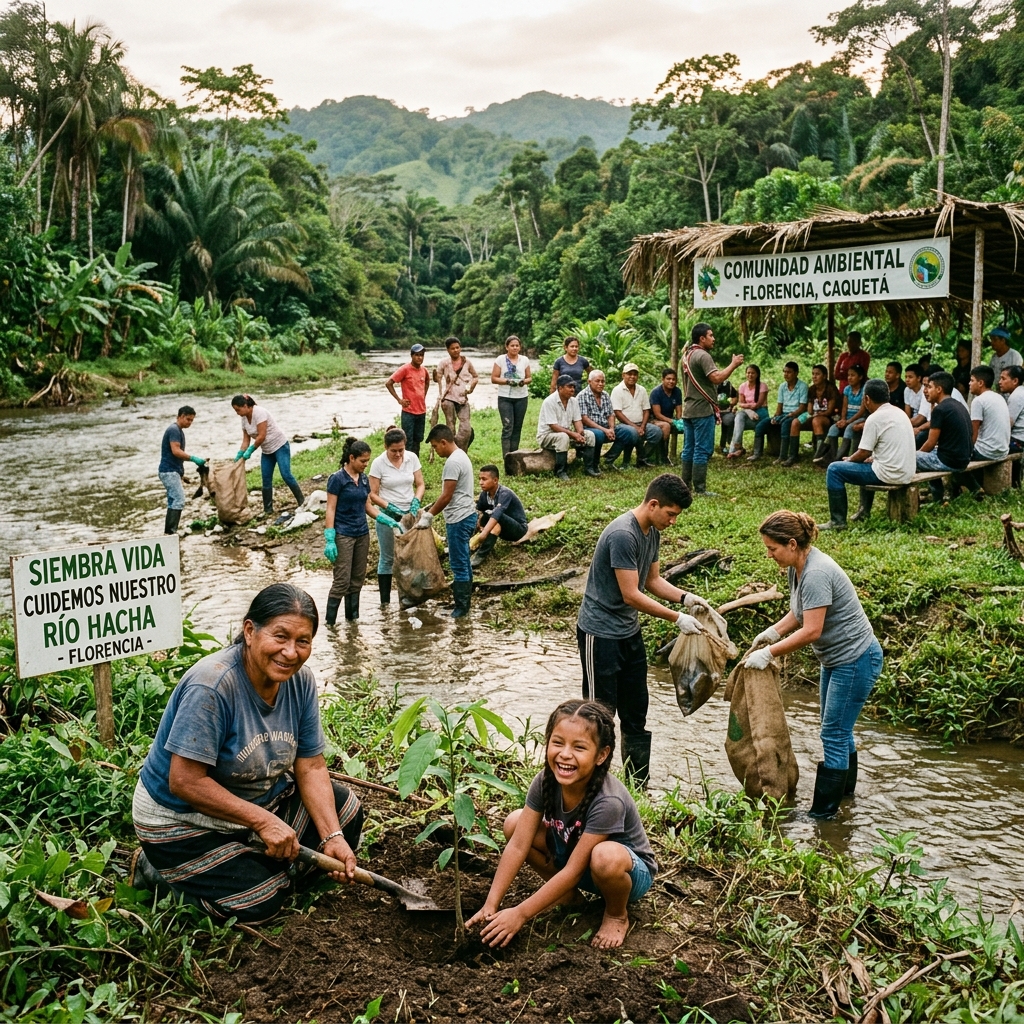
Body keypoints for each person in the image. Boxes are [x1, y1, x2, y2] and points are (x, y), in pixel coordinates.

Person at [130, 584, 364, 921]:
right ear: (250, 631)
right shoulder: (212, 685)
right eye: (280, 636)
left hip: (252, 803)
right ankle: (159, 874)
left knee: (346, 812)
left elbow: (310, 766)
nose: (290, 652)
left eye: (303, 641)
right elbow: (185, 782)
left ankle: (244, 864)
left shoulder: (300, 682)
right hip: (182, 818)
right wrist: (264, 821)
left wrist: (332, 835)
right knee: (261, 901)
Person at [467, 700, 656, 951]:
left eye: (579, 747)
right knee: (515, 823)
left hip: (624, 875)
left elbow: (573, 871)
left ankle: (616, 914)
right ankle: (568, 897)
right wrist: (491, 904)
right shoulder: (545, 780)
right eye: (558, 743)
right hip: (576, 858)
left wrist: (521, 914)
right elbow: (518, 846)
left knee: (604, 856)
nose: (565, 754)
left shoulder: (608, 801)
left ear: (601, 755)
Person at [576, 474, 710, 788]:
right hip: (601, 634)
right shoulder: (624, 534)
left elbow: (651, 581)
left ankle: (638, 787)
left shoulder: (652, 531)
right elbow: (631, 594)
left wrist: (685, 597)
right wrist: (677, 618)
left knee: (636, 711)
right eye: (671, 514)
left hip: (628, 632)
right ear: (653, 504)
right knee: (600, 716)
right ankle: (596, 787)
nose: (674, 521)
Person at [746, 511, 883, 819]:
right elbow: (800, 613)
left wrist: (770, 653)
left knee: (833, 733)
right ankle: (845, 797)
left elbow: (812, 630)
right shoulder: (798, 566)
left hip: (856, 658)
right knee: (838, 729)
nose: (769, 554)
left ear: (792, 544)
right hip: (836, 658)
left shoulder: (817, 572)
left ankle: (824, 814)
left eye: (772, 548)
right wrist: (773, 632)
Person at [818, 379, 916, 529]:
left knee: (834, 469)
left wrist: (849, 460)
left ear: (867, 399)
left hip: (890, 473)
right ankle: (864, 512)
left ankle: (837, 521)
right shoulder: (900, 413)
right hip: (906, 472)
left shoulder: (874, 418)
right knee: (865, 464)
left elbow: (863, 452)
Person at [324, 437, 391, 624]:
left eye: (367, 462)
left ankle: (352, 621)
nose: (365, 465)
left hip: (362, 533)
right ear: (351, 458)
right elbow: (330, 508)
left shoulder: (363, 479)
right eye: (362, 461)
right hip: (343, 534)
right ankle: (330, 625)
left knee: (357, 580)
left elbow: (367, 506)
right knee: (341, 581)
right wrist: (330, 537)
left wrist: (386, 518)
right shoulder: (337, 479)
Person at [416, 424, 476, 618]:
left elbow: (446, 496)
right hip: (466, 514)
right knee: (463, 561)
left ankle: (461, 609)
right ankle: (463, 604)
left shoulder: (452, 462)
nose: (435, 450)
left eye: (435, 446)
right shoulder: (461, 456)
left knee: (458, 564)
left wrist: (429, 515)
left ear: (443, 442)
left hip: (459, 518)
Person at [681, 323, 744, 492]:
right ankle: (700, 489)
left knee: (689, 448)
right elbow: (716, 378)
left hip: (689, 409)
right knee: (701, 450)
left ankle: (685, 486)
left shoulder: (686, 355)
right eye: (711, 335)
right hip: (702, 409)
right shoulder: (703, 355)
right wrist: (733, 364)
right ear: (702, 339)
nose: (713, 338)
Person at [368, 427, 425, 605]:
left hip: (409, 515)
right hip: (388, 515)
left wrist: (416, 500)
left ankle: (410, 598)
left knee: (411, 556)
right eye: (394, 451)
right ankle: (385, 603)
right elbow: (373, 494)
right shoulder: (378, 464)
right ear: (386, 447)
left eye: (401, 449)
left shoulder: (411, 458)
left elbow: (421, 484)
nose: (398, 454)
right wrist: (389, 506)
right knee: (388, 558)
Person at [231, 395, 304, 515]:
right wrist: (240, 454)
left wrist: (250, 451)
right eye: (235, 410)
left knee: (286, 474)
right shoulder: (244, 418)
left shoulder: (259, 412)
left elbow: (261, 436)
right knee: (266, 479)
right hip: (267, 450)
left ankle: (302, 502)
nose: (237, 413)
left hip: (280, 445)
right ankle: (268, 510)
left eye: (238, 410)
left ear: (245, 406)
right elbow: (245, 440)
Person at [916, 371, 973, 504]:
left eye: (929, 387)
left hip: (950, 461)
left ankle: (935, 498)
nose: (926, 391)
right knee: (924, 457)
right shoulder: (957, 405)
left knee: (911, 457)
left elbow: (930, 443)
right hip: (964, 458)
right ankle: (937, 496)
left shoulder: (940, 410)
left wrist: (916, 455)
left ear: (939, 389)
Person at [960, 364, 1011, 497]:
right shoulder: (998, 397)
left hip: (988, 451)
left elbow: (974, 432)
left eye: (972, 380)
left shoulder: (979, 401)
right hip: (1003, 450)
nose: (969, 383)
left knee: (953, 457)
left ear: (981, 383)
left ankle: (975, 489)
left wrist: (965, 451)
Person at [606, 363, 662, 469]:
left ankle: (642, 458)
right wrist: (635, 427)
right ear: (623, 375)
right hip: (624, 424)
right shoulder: (617, 390)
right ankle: (622, 461)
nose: (632, 377)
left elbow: (646, 410)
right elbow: (617, 412)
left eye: (635, 374)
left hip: (641, 423)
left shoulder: (642, 390)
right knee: (632, 433)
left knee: (657, 432)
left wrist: (642, 426)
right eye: (629, 374)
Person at [537, 374, 593, 481]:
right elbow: (553, 426)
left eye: (573, 387)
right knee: (563, 437)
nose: (573, 389)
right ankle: (561, 471)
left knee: (590, 435)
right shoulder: (549, 401)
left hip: (565, 433)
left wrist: (580, 433)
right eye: (569, 387)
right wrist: (573, 434)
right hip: (546, 436)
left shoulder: (573, 401)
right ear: (560, 388)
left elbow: (577, 420)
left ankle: (589, 467)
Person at [750, 361, 808, 465]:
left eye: (789, 372)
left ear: (796, 373)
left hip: (796, 415)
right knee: (761, 426)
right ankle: (757, 453)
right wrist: (775, 416)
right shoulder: (782, 386)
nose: (786, 374)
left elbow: (802, 407)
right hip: (783, 414)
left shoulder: (803, 386)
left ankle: (784, 456)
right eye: (784, 372)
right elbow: (779, 406)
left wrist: (792, 414)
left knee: (785, 425)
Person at [159, 405, 204, 535]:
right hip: (168, 471)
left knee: (173, 501)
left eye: (192, 421)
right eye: (188, 420)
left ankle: (169, 533)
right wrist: (193, 458)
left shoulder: (178, 430)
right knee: (179, 500)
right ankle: (171, 533)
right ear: (181, 416)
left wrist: (181, 475)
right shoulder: (174, 430)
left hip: (171, 471)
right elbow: (176, 451)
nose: (190, 423)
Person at [472, 465, 529, 569]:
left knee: (496, 515)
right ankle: (471, 546)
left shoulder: (504, 493)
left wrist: (484, 533)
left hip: (517, 530)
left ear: (495, 480)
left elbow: (497, 514)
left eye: (484, 479)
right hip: (501, 527)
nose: (480, 482)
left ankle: (480, 555)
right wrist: (479, 525)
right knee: (483, 517)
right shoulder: (484, 495)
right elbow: (479, 511)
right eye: (479, 479)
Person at [816, 363, 867, 465]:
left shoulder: (864, 389)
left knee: (849, 429)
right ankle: (831, 455)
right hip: (847, 418)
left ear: (860, 377)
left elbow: (862, 411)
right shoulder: (847, 389)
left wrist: (848, 422)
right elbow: (844, 407)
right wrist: (843, 419)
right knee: (833, 429)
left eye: (853, 375)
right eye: (848, 375)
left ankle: (839, 458)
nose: (849, 378)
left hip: (860, 418)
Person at [434, 336, 478, 453]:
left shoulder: (467, 362)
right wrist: (435, 376)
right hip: (448, 398)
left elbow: (475, 376)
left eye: (457, 348)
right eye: (452, 348)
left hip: (462, 398)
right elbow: (437, 378)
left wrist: (471, 387)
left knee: (466, 428)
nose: (456, 350)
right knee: (451, 426)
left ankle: (461, 451)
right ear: (448, 350)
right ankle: (451, 452)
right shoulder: (444, 363)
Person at [385, 344, 431, 455]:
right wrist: (399, 400)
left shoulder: (424, 370)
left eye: (421, 355)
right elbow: (389, 383)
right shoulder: (405, 369)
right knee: (407, 440)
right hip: (408, 412)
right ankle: (406, 464)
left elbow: (427, 382)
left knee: (418, 439)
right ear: (411, 356)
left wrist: (422, 396)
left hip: (421, 411)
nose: (419, 357)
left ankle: (415, 463)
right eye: (417, 355)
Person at [491, 335, 531, 456]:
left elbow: (529, 377)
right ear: (506, 347)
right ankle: (506, 458)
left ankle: (514, 457)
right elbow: (494, 378)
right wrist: (508, 381)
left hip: (521, 397)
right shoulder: (500, 359)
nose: (515, 348)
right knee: (508, 427)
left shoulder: (524, 360)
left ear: (520, 347)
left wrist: (523, 381)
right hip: (505, 398)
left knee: (517, 428)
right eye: (512, 345)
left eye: (517, 345)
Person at [577, 369, 616, 477]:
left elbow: (611, 414)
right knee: (598, 435)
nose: (600, 384)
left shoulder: (605, 395)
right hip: (588, 428)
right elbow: (584, 418)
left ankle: (609, 460)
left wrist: (612, 428)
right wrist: (605, 430)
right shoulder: (582, 396)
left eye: (603, 381)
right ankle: (592, 465)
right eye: (597, 381)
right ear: (589, 382)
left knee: (627, 432)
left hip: (606, 427)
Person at [727, 364, 769, 458]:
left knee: (739, 416)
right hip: (748, 414)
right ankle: (737, 448)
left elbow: (758, 404)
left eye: (753, 373)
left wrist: (747, 406)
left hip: (761, 415)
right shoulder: (742, 386)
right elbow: (741, 403)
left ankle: (734, 449)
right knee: (739, 417)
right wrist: (749, 407)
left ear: (757, 374)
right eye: (748, 373)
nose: (750, 375)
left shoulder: (762, 386)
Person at [801, 365, 840, 466]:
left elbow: (829, 411)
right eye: (813, 374)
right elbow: (809, 409)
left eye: (817, 374)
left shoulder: (831, 388)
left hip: (830, 418)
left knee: (816, 421)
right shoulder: (812, 389)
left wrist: (816, 415)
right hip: (814, 416)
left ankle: (819, 453)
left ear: (824, 376)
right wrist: (812, 414)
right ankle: (790, 455)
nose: (814, 376)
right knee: (795, 422)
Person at [648, 367, 683, 463]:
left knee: (688, 425)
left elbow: (679, 411)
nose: (671, 381)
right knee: (666, 426)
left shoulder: (677, 391)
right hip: (653, 419)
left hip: (669, 418)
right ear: (663, 379)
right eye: (668, 379)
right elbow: (657, 414)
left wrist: (680, 421)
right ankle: (662, 456)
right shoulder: (656, 392)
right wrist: (672, 421)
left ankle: (687, 454)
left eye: (673, 379)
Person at [999, 365, 1024, 485]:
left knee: (987, 447)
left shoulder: (1017, 396)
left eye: (1003, 379)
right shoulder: (1020, 393)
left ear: (1015, 381)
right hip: (1019, 439)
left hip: (1018, 441)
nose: (1000, 382)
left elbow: (1007, 424)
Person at [717, 378, 739, 455]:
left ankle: (727, 444)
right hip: (712, 412)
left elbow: (735, 395)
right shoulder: (709, 384)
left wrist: (733, 402)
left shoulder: (728, 385)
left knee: (730, 421)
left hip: (726, 411)